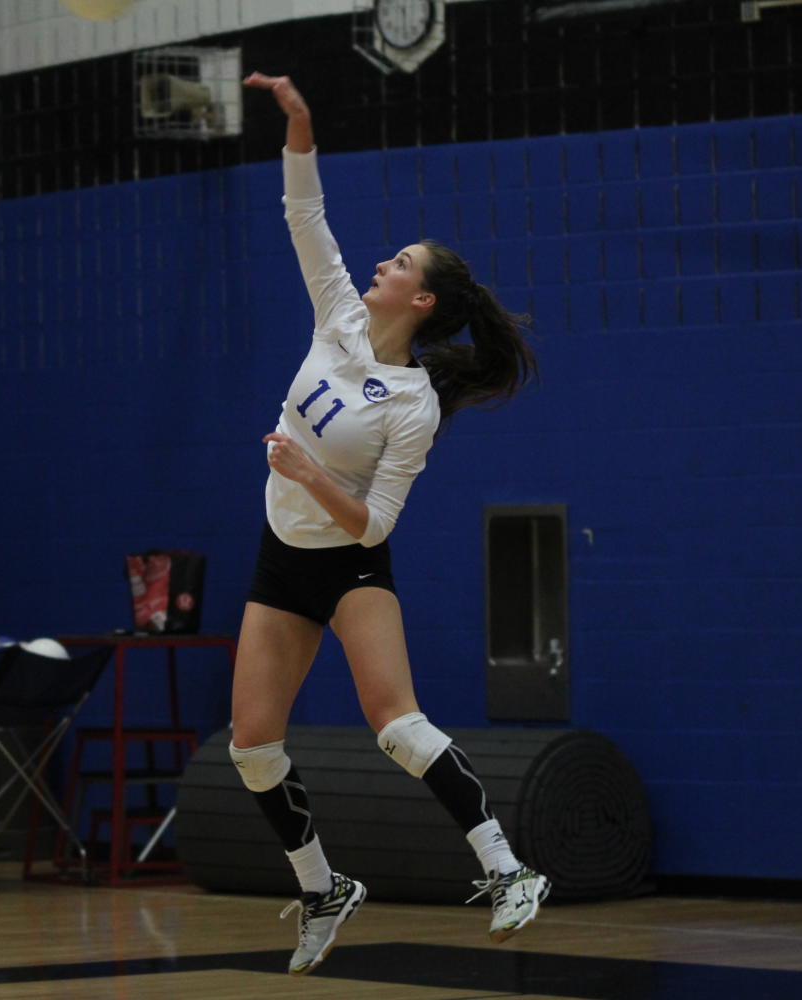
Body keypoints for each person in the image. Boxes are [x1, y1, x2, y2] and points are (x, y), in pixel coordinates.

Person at [232, 73, 547, 977]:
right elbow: (306, 214)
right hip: (279, 556)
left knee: (397, 724)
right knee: (253, 748)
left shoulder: (413, 404)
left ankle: (508, 869)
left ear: (423, 303)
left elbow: (373, 525)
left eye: (401, 264)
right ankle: (323, 888)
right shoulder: (337, 314)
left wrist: (304, 470)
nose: (382, 265)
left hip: (348, 565)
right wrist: (299, 121)